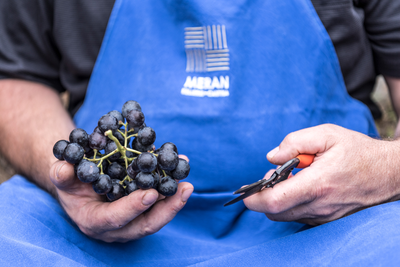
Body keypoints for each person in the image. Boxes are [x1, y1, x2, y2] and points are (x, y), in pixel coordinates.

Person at [0, 0, 400, 266]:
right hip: (91, 231)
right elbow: (17, 79)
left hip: (338, 228)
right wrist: (68, 184)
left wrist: (385, 168)